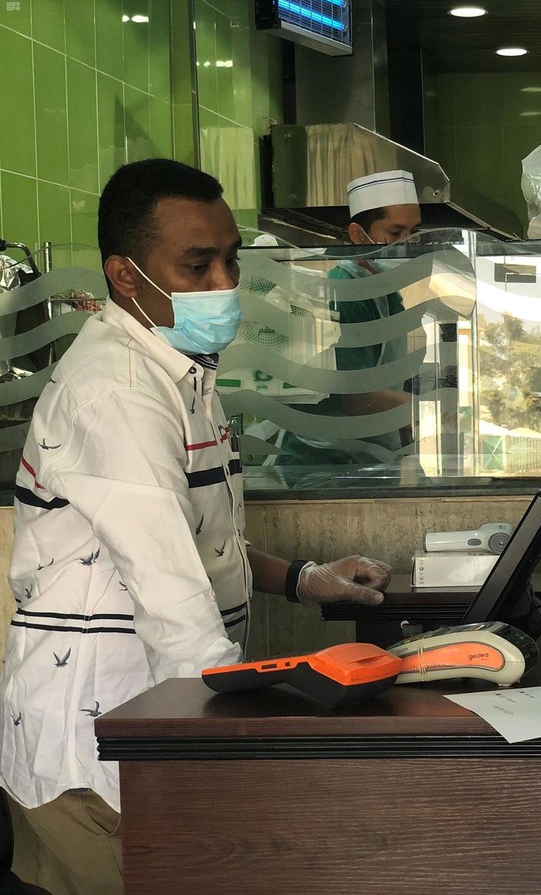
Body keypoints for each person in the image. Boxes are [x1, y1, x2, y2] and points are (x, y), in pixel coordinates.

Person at [0, 158, 395, 895]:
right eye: (197, 265)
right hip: (97, 743)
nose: (224, 283)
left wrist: (304, 580)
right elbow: (170, 596)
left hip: (147, 721)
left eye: (230, 260)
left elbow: (190, 540)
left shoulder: (176, 367)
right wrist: (246, 741)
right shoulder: (118, 392)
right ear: (125, 275)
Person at [275, 170, 422, 466]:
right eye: (395, 233)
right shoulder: (345, 294)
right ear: (357, 235)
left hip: (366, 453)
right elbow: (358, 396)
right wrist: (431, 411)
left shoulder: (385, 293)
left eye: (414, 233)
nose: (406, 243)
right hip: (325, 462)